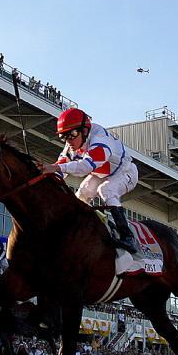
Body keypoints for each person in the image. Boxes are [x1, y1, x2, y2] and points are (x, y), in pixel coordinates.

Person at [38, 108, 144, 261]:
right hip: (101, 173)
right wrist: (42, 176)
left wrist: (56, 168)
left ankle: (127, 236)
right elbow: (60, 168)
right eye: (64, 137)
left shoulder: (100, 139)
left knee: (106, 190)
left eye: (72, 135)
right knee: (82, 193)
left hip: (125, 172)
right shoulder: (73, 143)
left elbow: (85, 167)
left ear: (85, 130)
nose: (69, 141)